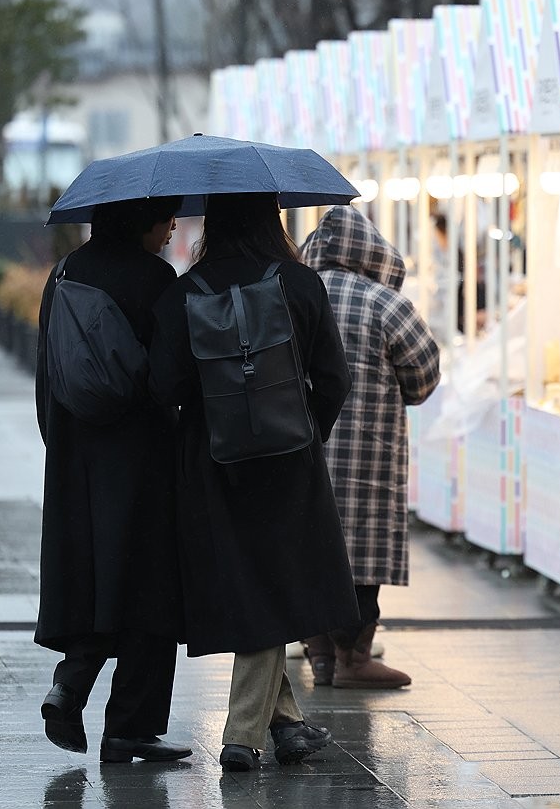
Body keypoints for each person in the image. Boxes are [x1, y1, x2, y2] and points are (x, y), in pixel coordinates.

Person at [147, 192, 360, 772]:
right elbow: (334, 380)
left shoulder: (183, 293)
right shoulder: (300, 284)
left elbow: (164, 389)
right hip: (288, 462)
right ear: (273, 220)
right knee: (272, 585)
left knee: (249, 582)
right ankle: (243, 735)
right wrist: (302, 432)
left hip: (213, 464)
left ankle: (287, 725)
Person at [34, 196, 191, 764]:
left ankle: (69, 685)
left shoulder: (65, 272)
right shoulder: (155, 278)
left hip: (77, 453)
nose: (172, 225)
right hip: (141, 456)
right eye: (164, 216)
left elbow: (47, 367)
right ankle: (129, 725)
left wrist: (60, 439)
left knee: (95, 582)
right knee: (148, 588)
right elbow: (168, 376)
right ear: (139, 221)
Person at [299, 207, 440, 689]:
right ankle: (352, 658)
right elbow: (424, 378)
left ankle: (316, 648)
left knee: (307, 546)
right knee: (360, 553)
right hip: (368, 457)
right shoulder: (385, 304)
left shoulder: (292, 294)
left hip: (301, 450)